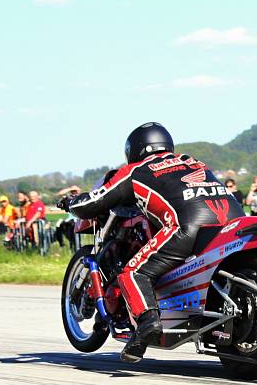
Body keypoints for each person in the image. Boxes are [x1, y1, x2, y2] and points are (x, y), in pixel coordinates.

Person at [60, 122, 244, 363]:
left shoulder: (136, 170)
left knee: (133, 273)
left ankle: (147, 323)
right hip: (231, 224)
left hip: (186, 226)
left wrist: (71, 203)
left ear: (134, 150)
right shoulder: (192, 161)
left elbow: (95, 202)